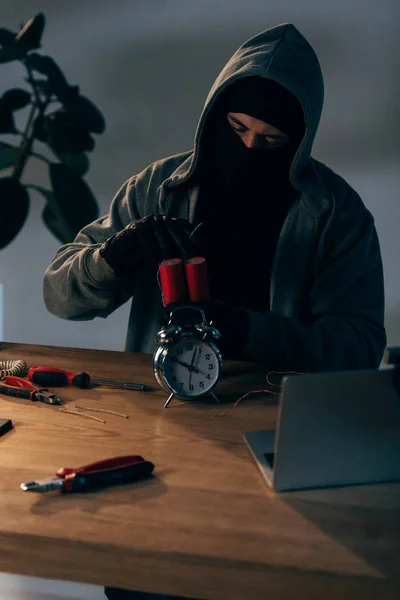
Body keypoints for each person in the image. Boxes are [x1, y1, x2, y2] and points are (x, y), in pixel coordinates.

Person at [43, 22, 386, 598]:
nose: (250, 149)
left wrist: (249, 330)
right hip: (164, 424)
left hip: (280, 438)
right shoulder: (158, 189)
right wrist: (115, 256)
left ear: (301, 140)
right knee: (146, 576)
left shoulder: (337, 218)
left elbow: (358, 348)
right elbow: (60, 297)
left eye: (272, 140)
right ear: (213, 119)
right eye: (237, 128)